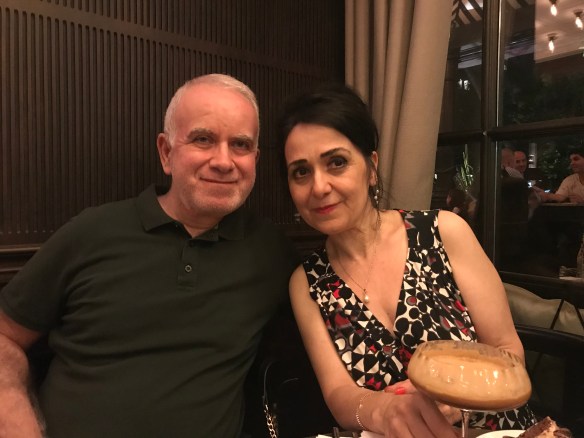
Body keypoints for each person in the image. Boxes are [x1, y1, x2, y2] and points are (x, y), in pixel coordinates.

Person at [0, 74, 298, 438]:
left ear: (255, 159)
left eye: (240, 144)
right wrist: (15, 418)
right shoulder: (92, 232)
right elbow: (6, 335)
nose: (223, 161)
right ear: (166, 152)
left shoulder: (269, 251)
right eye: (203, 139)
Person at [277, 84, 536, 437]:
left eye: (336, 162)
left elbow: (507, 351)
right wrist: (386, 410)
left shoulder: (444, 232)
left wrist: (455, 394)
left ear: (371, 168)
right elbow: (339, 394)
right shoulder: (307, 283)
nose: (319, 187)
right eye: (301, 172)